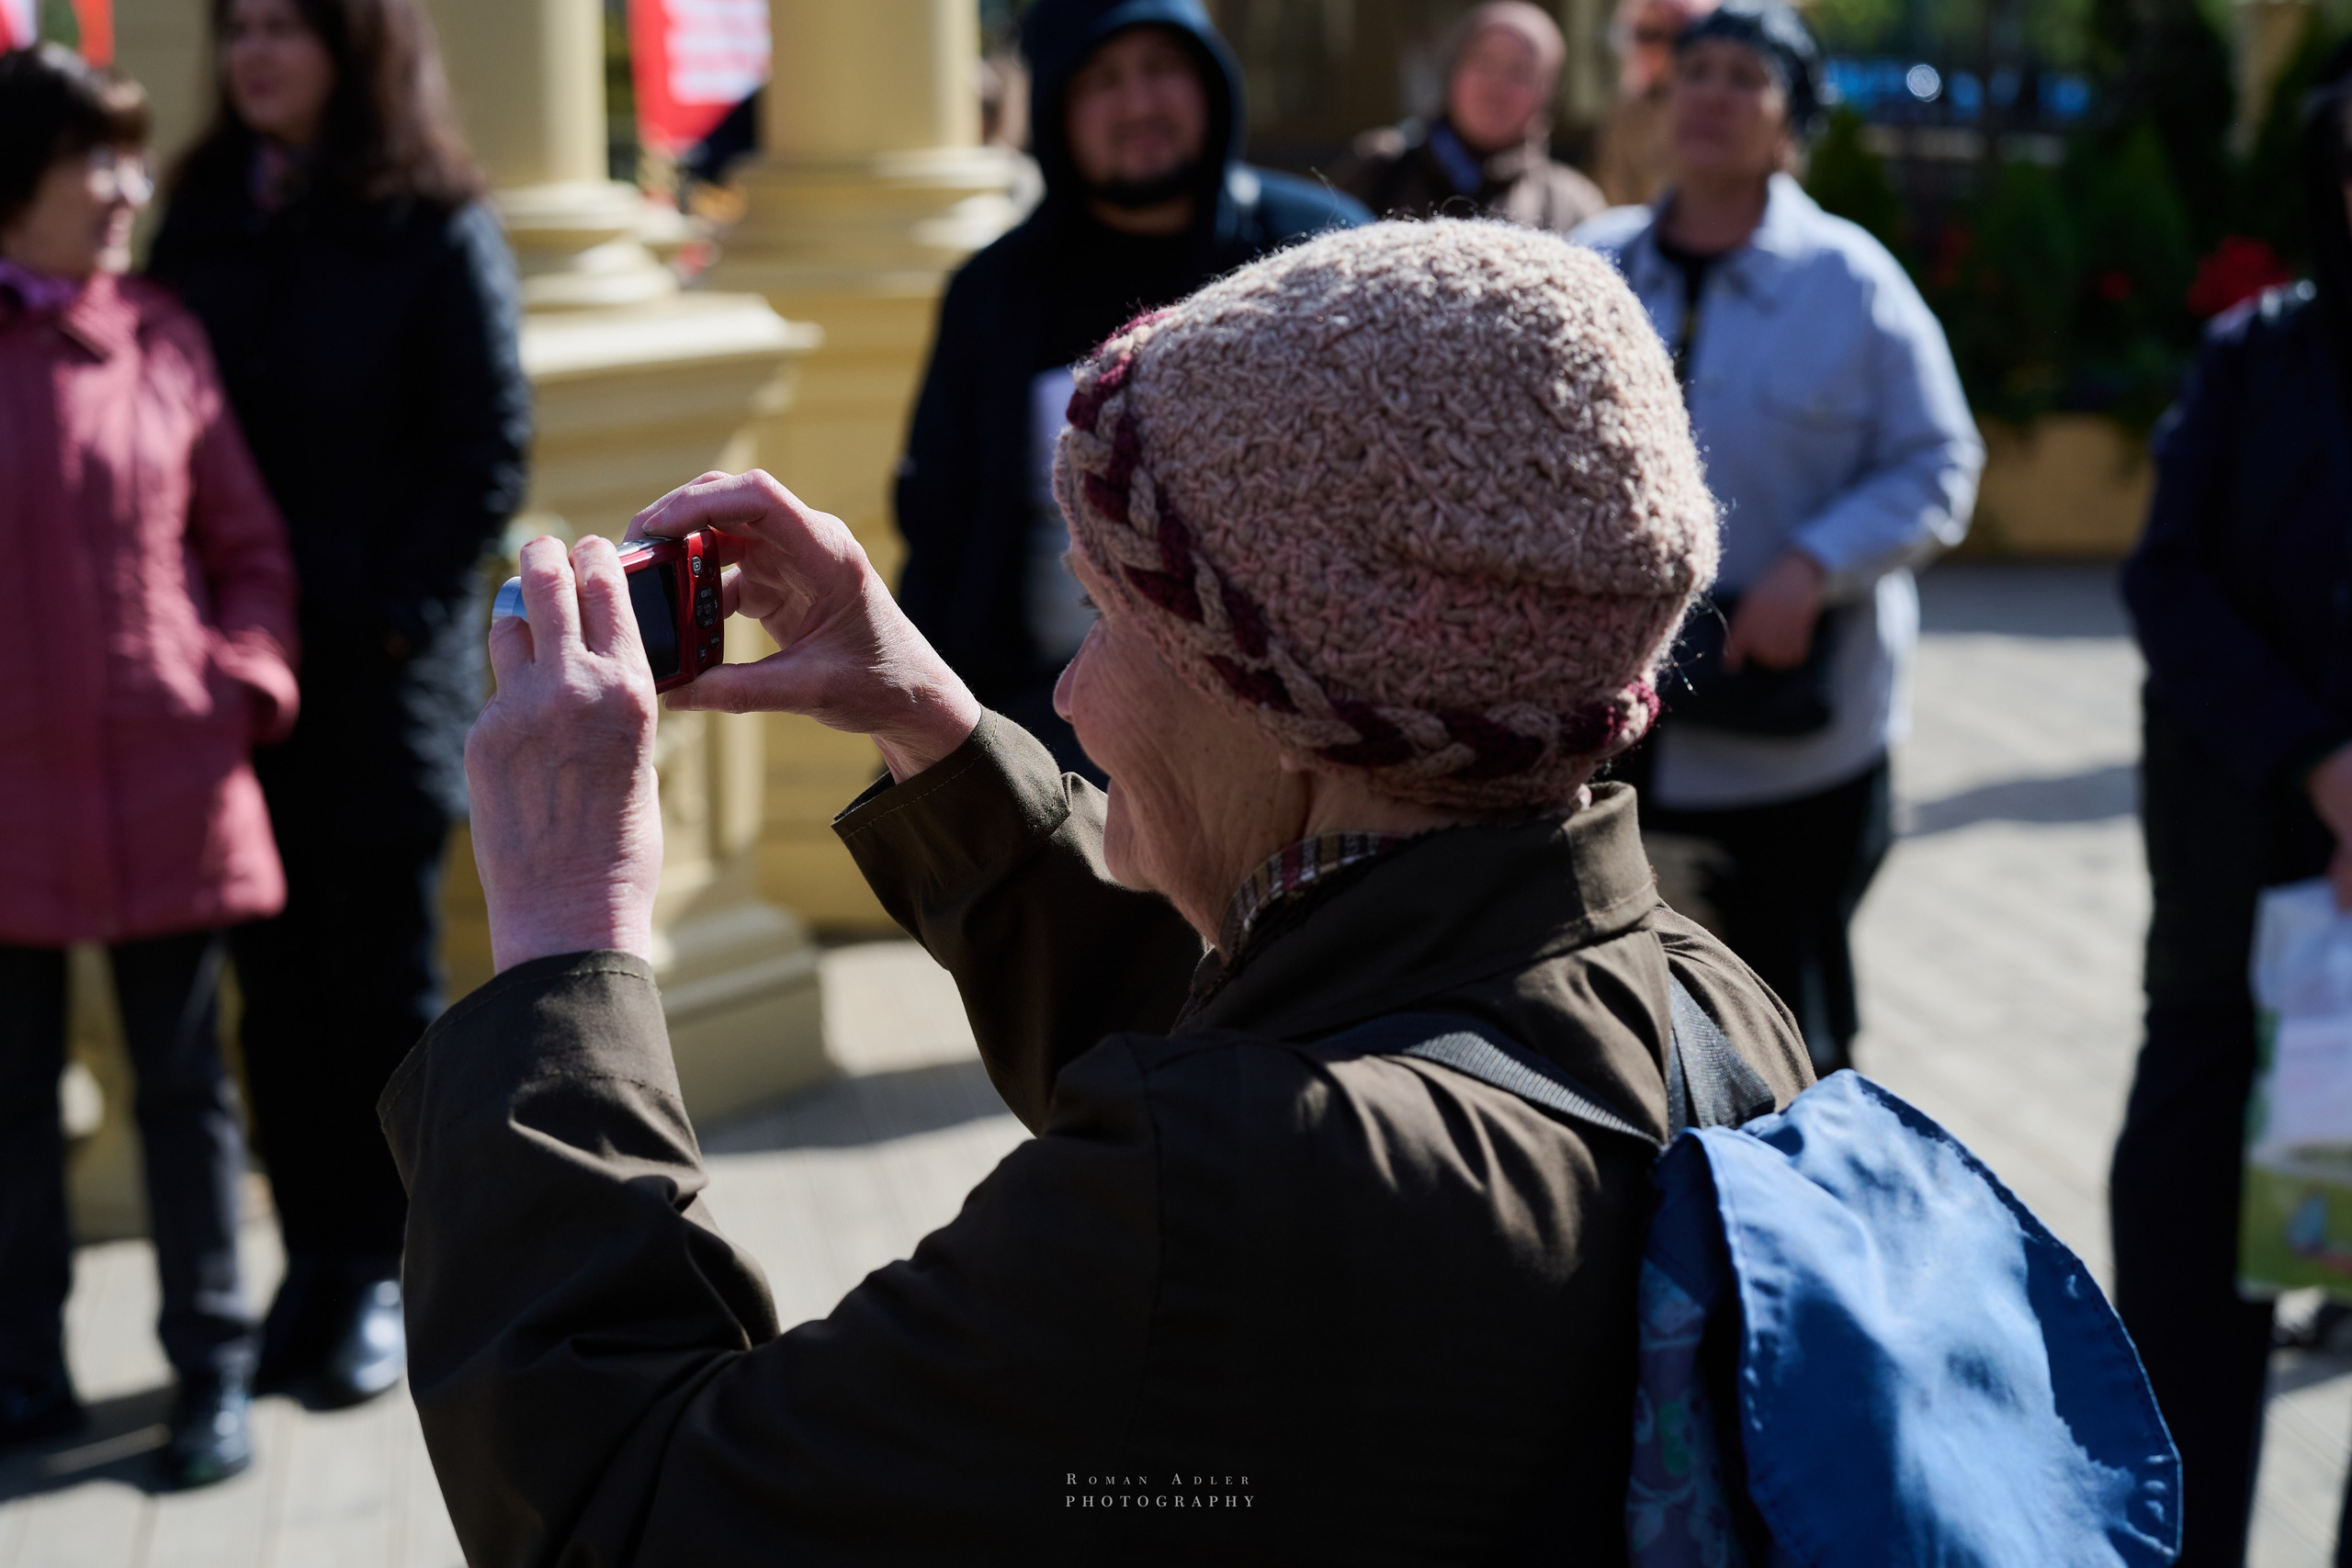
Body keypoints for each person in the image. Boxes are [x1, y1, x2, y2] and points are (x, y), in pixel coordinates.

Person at [384, 221, 1815, 1562]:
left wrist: (566, 940)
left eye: (1116, 619)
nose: (1069, 692)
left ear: (1288, 709)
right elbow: (1297, 1023)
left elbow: (627, 1507)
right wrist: (935, 730)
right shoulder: (1706, 1002)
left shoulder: (1229, 1192)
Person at [145, 0, 528, 1409]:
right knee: (271, 998)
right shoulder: (198, 213)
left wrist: (381, 619)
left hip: (375, 684)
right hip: (230, 687)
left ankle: (387, 1269)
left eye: (285, 29)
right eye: (235, 27)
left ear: (352, 48)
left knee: (378, 994)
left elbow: (488, 445)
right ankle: (311, 1258)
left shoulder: (430, 218)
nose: (253, 55)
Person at [1573, 2, 1981, 1076]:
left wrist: (1812, 565)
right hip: (1608, 741)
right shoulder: (1590, 266)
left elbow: (1939, 465)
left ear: (1790, 120)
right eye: (1693, 70)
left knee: (1786, 1029)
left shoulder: (1851, 283)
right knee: (1613, 1027)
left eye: (1742, 78)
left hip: (1794, 747)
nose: (1709, 94)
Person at [0, 44, 299, 1487]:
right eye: (95, 159)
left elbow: (246, 547)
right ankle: (21, 1375)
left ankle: (212, 1372)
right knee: (3, 1099)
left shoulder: (167, 336)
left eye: (131, 154)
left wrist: (239, 679)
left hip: (171, 774)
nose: (128, 187)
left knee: (189, 1093)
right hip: (9, 800)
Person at [894, 0, 1364, 778]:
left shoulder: (1318, 252)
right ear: (1053, 107)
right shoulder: (995, 294)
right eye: (1103, 80)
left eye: (1162, 68)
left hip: (1295, 742)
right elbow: (940, 529)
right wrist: (918, 749)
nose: (1140, 103)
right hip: (1047, 739)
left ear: (1211, 79)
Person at [2112, 44, 2352, 1568]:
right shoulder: (2257, 355)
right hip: (2243, 920)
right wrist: (2317, 759)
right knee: (2191, 1294)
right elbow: (2165, 576)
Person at [1329, 2, 1604, 231]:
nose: (1497, 85)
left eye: (1520, 71)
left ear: (1547, 94)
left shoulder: (1571, 204)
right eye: (1483, 62)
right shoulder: (1381, 168)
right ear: (1452, 71)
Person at [1593, 0, 1718, 207]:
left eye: (1655, 36)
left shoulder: (1717, 105)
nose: (1643, 47)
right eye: (1639, 35)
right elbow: (1616, 197)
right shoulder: (1628, 111)